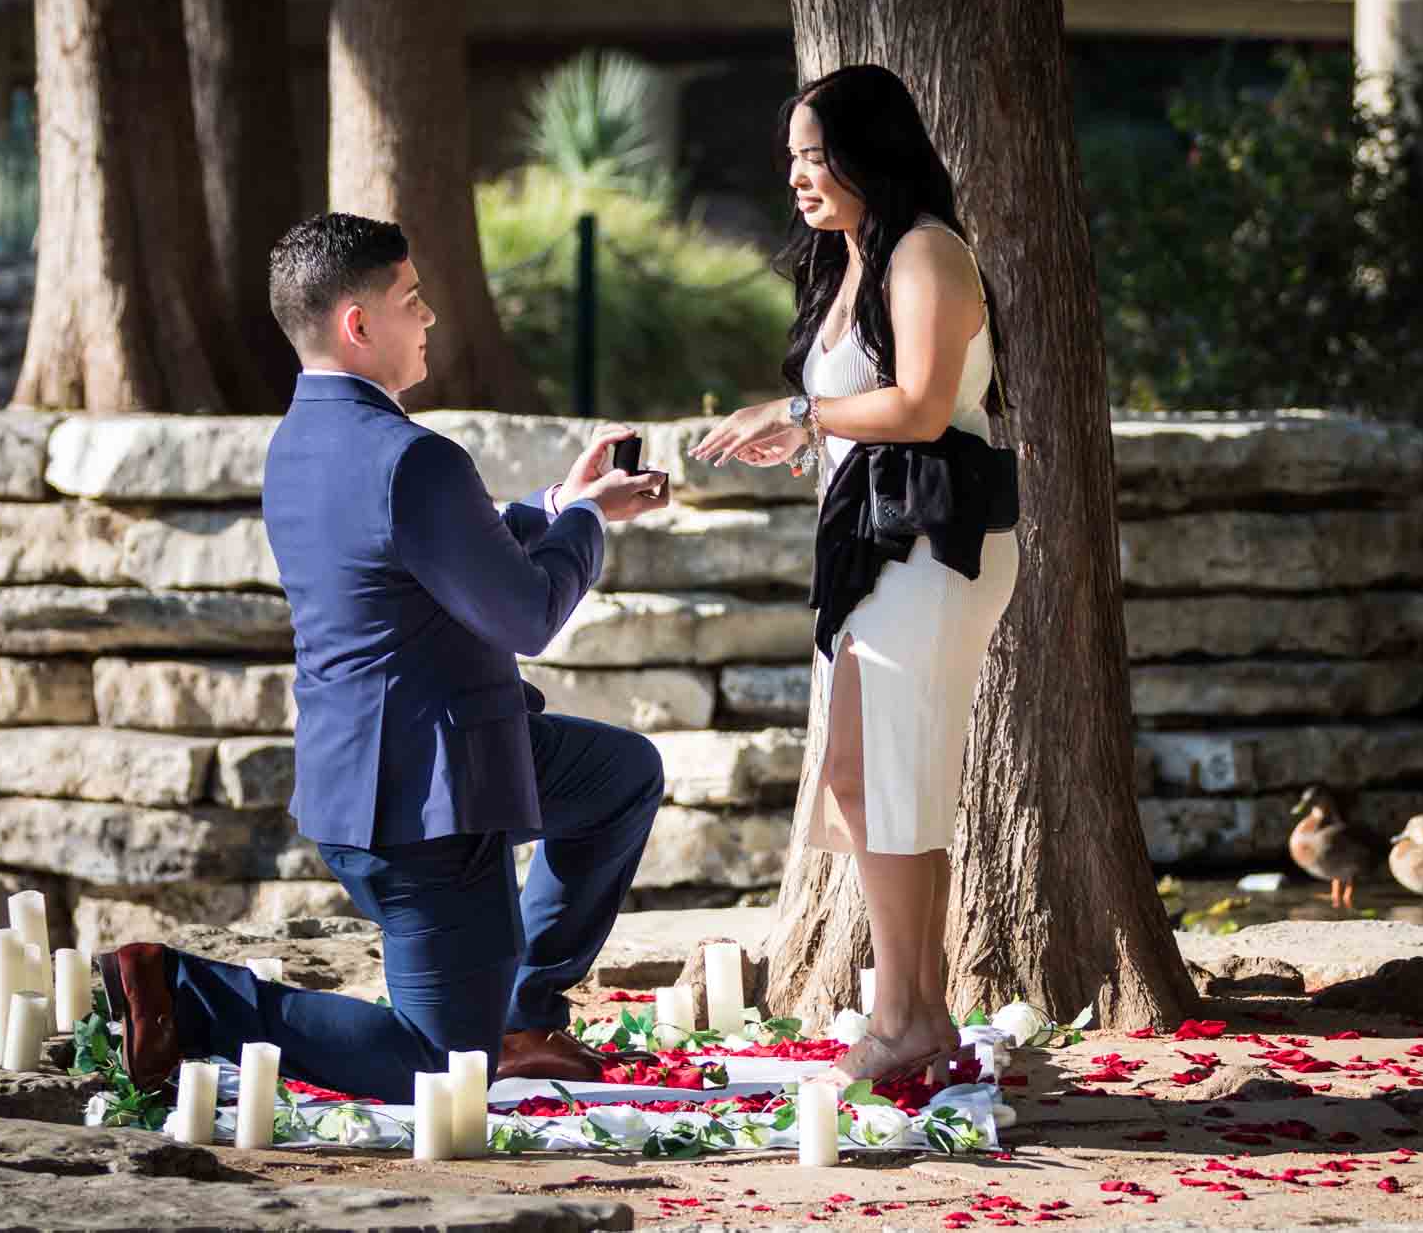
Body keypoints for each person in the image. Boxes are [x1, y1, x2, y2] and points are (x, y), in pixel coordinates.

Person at [94, 212, 673, 1105]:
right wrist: (588, 525)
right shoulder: (414, 458)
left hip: (393, 767)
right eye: (412, 299)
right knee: (445, 1072)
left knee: (618, 774)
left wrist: (562, 499)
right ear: (358, 324)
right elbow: (525, 612)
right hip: (430, 803)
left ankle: (525, 1011)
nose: (431, 316)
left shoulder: (301, 442)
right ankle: (186, 992)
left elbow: (427, 555)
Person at [690, 65, 1021, 1087]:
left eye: (813, 155)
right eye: (790, 157)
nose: (796, 176)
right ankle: (915, 1009)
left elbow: (921, 408)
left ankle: (904, 1015)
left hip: (929, 546)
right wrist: (810, 437)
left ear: (867, 150)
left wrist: (792, 415)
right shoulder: (849, 258)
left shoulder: (925, 251)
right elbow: (865, 409)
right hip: (868, 544)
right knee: (855, 776)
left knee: (894, 771)